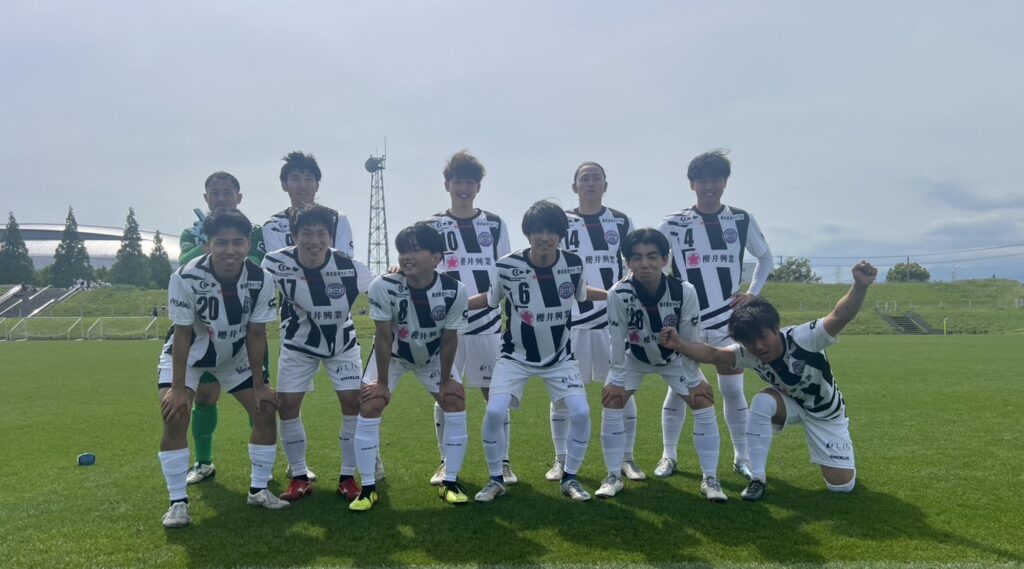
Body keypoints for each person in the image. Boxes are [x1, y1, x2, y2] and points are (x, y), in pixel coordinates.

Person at [660, 261, 877, 501]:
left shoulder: (804, 337)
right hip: (790, 405)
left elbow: (840, 315)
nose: (759, 346)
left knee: (841, 487)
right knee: (762, 401)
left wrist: (860, 285)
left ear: (776, 328)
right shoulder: (747, 352)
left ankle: (841, 460)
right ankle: (757, 479)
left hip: (826, 413)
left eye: (762, 337)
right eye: (749, 341)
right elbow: (713, 355)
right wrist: (679, 344)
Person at [157, 209, 286, 529]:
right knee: (176, 414)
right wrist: (178, 389)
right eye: (221, 242)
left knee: (266, 409)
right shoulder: (185, 277)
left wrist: (260, 385)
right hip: (189, 357)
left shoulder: (261, 279)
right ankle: (177, 503)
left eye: (238, 242)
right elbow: (182, 334)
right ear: (208, 245)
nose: (231, 250)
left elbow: (257, 333)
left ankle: (259, 490)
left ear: (248, 245)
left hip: (233, 356)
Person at [471, 200, 607, 503]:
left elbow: (583, 294)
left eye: (551, 231)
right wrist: (455, 305)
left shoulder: (574, 263)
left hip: (560, 358)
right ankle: (495, 479)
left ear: (561, 234)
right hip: (515, 357)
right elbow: (490, 300)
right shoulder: (506, 265)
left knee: (581, 412)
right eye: (537, 231)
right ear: (528, 233)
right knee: (494, 411)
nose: (544, 237)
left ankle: (570, 478)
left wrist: (615, 294)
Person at [657, 150, 772, 481]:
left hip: (727, 321)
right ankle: (668, 455)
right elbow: (652, 262)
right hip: (688, 320)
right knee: (678, 389)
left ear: (725, 183)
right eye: (702, 181)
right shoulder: (673, 223)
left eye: (715, 180)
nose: (709, 187)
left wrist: (753, 292)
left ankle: (741, 457)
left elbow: (765, 257)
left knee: (733, 390)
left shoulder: (741, 219)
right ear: (692, 184)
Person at [598, 229, 726, 501]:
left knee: (702, 399)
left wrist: (694, 379)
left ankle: (711, 479)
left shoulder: (684, 291)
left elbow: (690, 339)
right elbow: (616, 339)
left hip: (674, 359)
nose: (645, 264)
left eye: (652, 256)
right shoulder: (618, 293)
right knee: (613, 399)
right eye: (637, 258)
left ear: (665, 259)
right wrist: (616, 380)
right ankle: (612, 476)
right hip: (634, 358)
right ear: (628, 262)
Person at [353, 223, 471, 511]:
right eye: (404, 250)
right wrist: (382, 383)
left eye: (415, 250)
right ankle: (367, 488)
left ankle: (450, 482)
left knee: (454, 400)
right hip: (394, 356)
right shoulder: (383, 285)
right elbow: (382, 337)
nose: (407, 256)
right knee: (371, 403)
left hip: (432, 356)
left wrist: (446, 380)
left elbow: (449, 338)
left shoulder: (455, 290)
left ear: (436, 258)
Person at [261, 205, 374, 503]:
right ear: (294, 235)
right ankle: (299, 477)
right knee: (287, 406)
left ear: (330, 236)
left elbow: (382, 291)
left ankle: (347, 477)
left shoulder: (351, 267)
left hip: (342, 345)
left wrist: (398, 274)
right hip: (298, 345)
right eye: (306, 233)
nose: (314, 240)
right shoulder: (275, 262)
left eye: (321, 233)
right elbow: (251, 285)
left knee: (353, 404)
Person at [421, 151, 515, 486]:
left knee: (494, 395)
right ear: (447, 184)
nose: (464, 188)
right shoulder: (431, 225)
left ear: (478, 187)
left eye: (470, 182)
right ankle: (447, 462)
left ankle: (503, 462)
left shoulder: (495, 223)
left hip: (487, 324)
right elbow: (419, 265)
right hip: (446, 326)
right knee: (445, 393)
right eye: (458, 181)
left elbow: (506, 271)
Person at [548, 161, 639, 483]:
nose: (590, 183)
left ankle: (627, 458)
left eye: (596, 178)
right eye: (584, 178)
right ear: (574, 186)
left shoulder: (621, 221)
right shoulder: (561, 222)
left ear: (605, 185)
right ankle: (560, 460)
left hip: (610, 322)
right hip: (569, 321)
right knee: (562, 393)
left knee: (621, 389)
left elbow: (632, 266)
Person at [175, 171, 266, 486]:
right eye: (215, 192)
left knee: (259, 399)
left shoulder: (253, 230)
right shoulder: (191, 232)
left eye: (228, 192)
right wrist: (205, 243)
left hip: (245, 331)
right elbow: (184, 263)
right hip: (205, 332)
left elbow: (257, 262)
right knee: (205, 396)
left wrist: (219, 247)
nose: (222, 198)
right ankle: (204, 462)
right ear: (206, 198)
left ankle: (262, 466)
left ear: (239, 197)